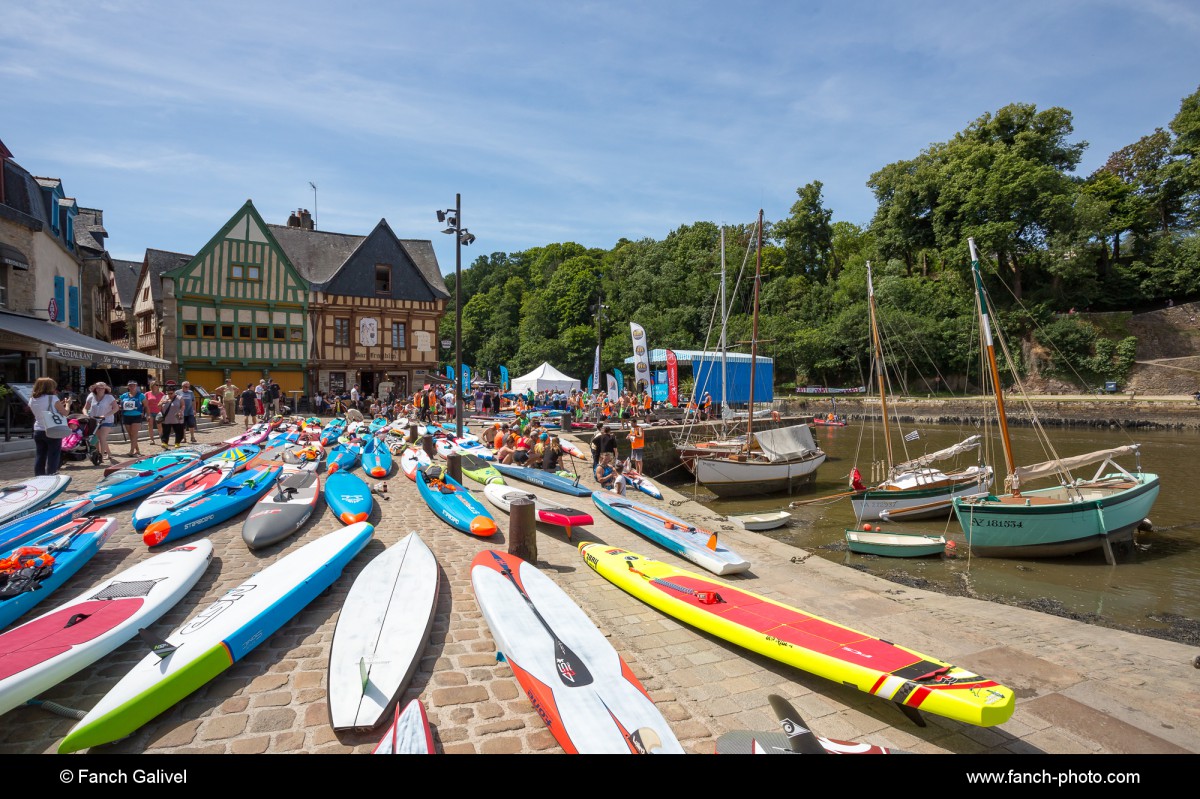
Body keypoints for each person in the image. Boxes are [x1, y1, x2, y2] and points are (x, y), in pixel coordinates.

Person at [30, 377, 69, 476]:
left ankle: (39, 476)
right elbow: (65, 413)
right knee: (53, 455)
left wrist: (59, 404)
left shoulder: (32, 399)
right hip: (52, 429)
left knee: (40, 455)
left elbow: (44, 408)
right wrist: (68, 404)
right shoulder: (53, 398)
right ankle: (51, 475)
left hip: (38, 429)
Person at [83, 382, 118, 463]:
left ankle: (100, 456)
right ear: (95, 389)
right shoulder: (91, 396)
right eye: (98, 388)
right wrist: (86, 415)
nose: (100, 389)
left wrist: (105, 415)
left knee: (102, 437)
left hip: (107, 420)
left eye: (102, 388)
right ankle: (107, 453)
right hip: (94, 420)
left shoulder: (109, 397)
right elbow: (85, 408)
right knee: (98, 438)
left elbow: (116, 408)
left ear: (105, 389)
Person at [119, 380, 146, 457]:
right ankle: (137, 450)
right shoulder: (124, 395)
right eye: (130, 385)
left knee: (134, 434)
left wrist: (146, 414)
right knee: (130, 434)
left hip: (136, 416)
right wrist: (120, 406)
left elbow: (146, 405)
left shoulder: (141, 395)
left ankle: (131, 451)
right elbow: (120, 404)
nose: (132, 387)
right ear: (128, 387)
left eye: (134, 385)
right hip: (126, 415)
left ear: (136, 386)